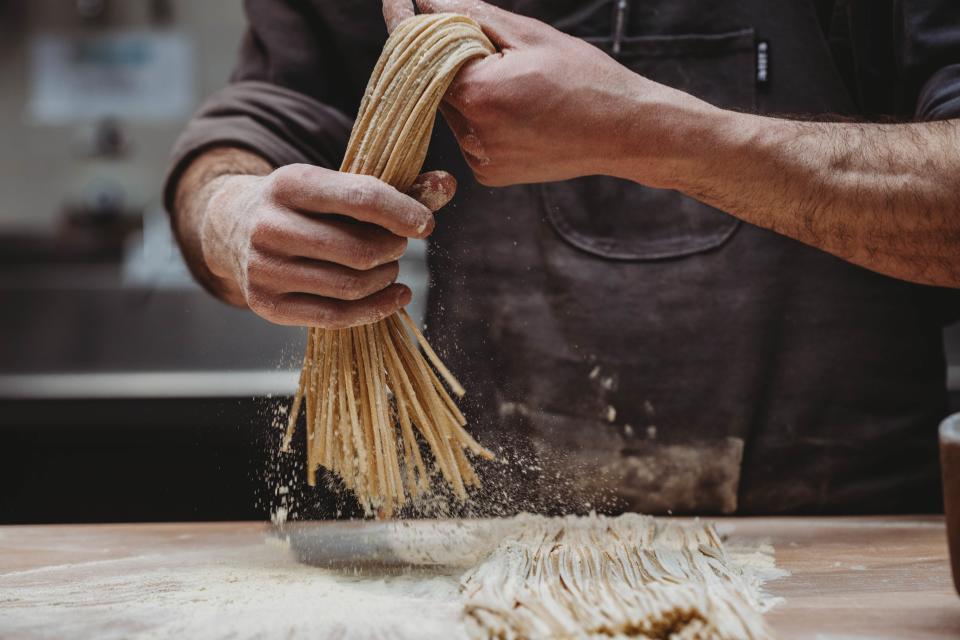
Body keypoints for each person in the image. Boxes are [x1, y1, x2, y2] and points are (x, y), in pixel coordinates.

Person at [165, 0, 960, 515]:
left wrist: (649, 134)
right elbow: (266, 114)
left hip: (850, 528)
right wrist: (232, 214)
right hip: (493, 539)